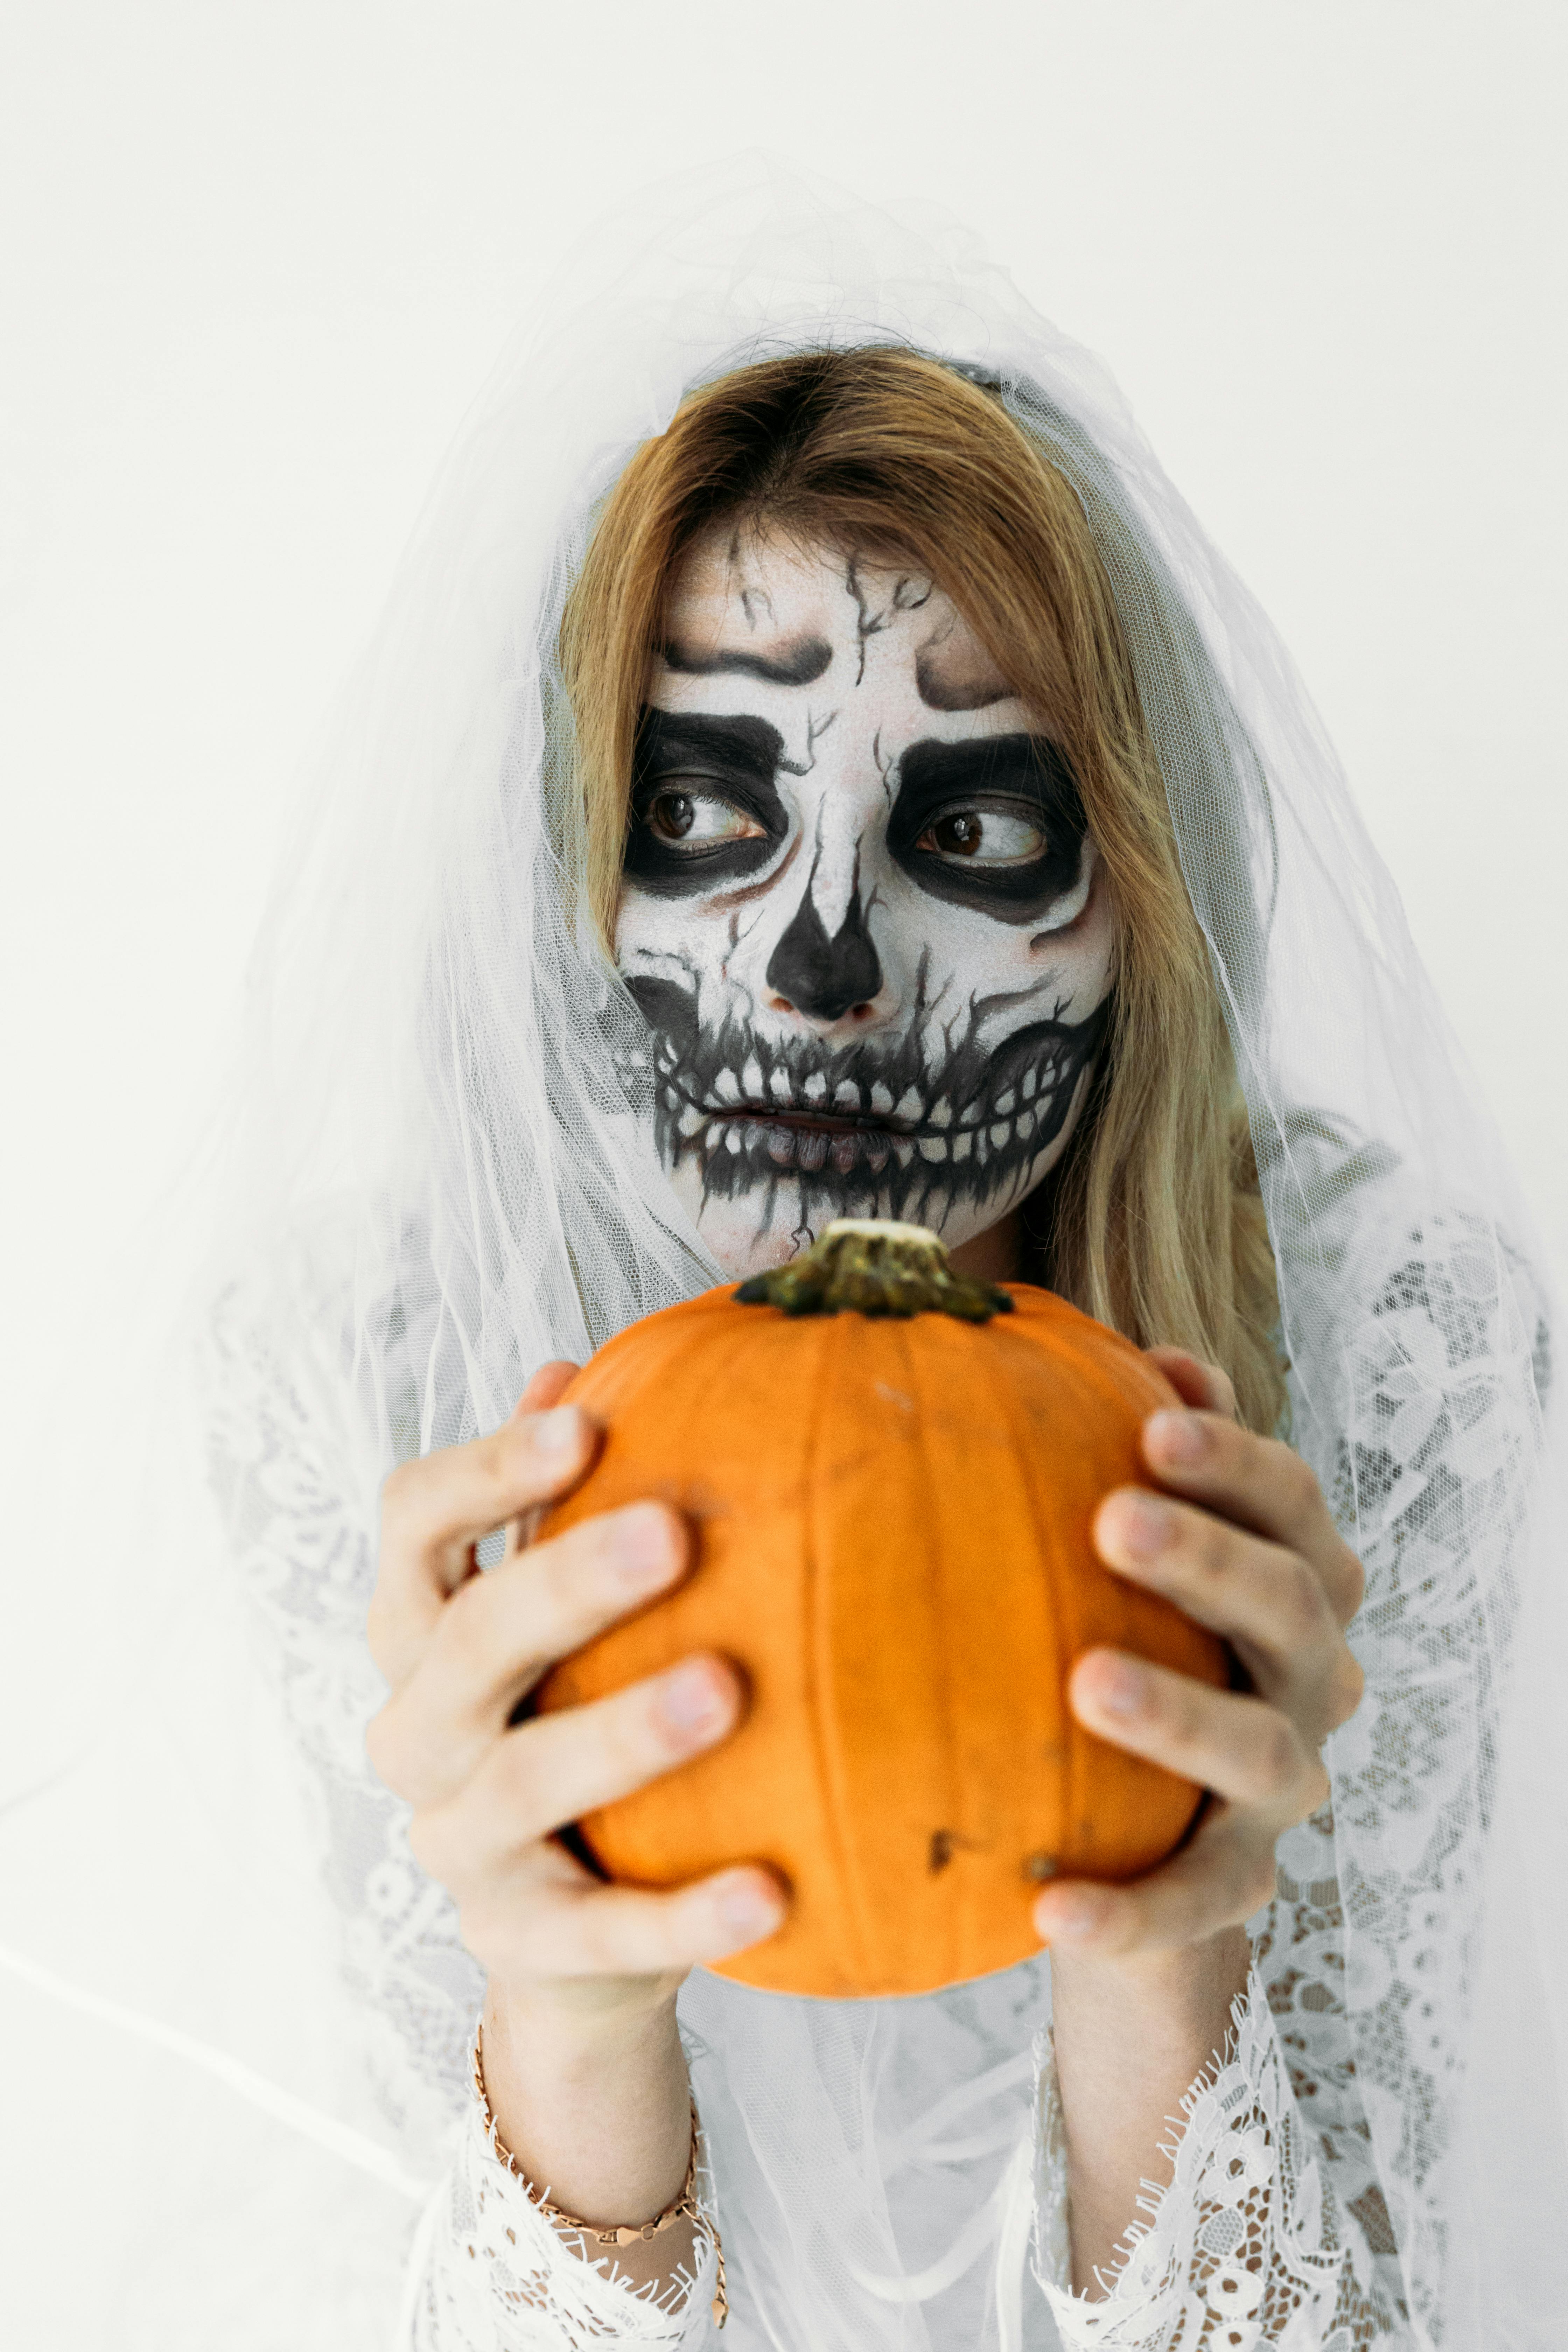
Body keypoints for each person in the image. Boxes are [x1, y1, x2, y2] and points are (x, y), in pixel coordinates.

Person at [10, 173, 1562, 2352]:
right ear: (567, 869)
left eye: (977, 831)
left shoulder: (1388, 1336)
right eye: (707, 814)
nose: (826, 972)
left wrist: (1164, 1964)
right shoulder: (374, 1372)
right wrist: (562, 2023)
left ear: (1139, 902)